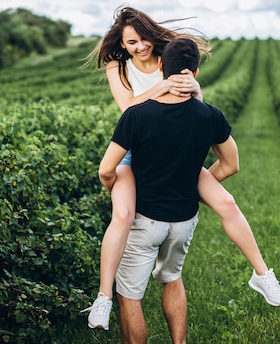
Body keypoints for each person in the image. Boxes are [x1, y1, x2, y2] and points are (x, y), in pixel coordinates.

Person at [82, 7, 280, 331]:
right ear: (122, 44)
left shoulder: (169, 55)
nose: (140, 47)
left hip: (177, 150)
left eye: (143, 39)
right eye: (131, 42)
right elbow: (128, 110)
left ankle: (263, 275)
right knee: (122, 215)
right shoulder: (117, 67)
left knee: (227, 203)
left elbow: (195, 100)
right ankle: (104, 298)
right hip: (135, 149)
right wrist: (164, 88)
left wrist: (189, 178)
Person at [98, 37, 238, 343]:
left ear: (161, 66)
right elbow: (231, 165)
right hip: (184, 220)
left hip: (146, 217)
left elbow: (106, 169)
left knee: (130, 297)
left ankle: (103, 297)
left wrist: (114, 187)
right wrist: (193, 183)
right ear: (195, 72)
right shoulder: (209, 114)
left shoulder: (136, 115)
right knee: (172, 278)